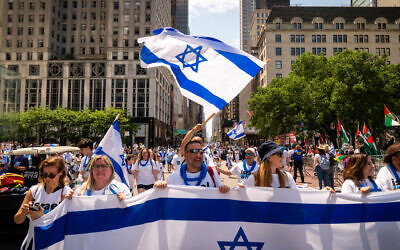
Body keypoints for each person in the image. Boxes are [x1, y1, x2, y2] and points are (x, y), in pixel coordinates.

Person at [14, 157, 71, 249]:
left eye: (51, 175)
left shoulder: (66, 193)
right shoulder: (34, 191)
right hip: (35, 242)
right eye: (44, 175)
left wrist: (42, 217)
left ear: (61, 172)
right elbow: (17, 220)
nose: (47, 178)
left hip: (56, 243)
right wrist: (23, 213)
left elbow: (68, 225)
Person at [154, 141, 230, 193]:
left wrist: (225, 189)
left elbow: (221, 193)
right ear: (186, 154)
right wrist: (160, 186)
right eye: (194, 151)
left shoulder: (211, 173)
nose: (198, 155)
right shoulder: (173, 177)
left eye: (201, 151)